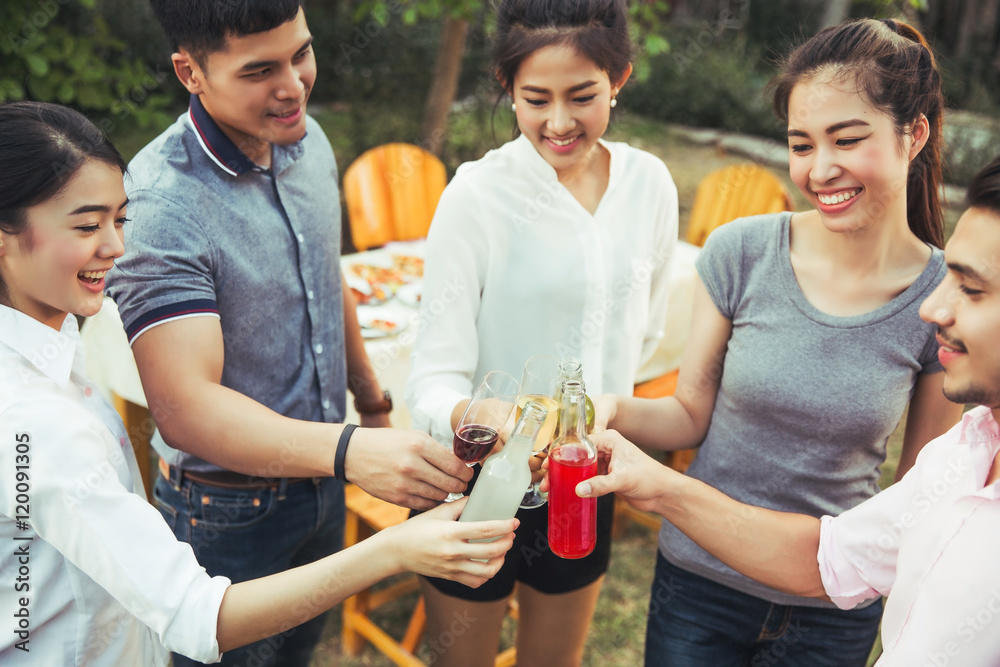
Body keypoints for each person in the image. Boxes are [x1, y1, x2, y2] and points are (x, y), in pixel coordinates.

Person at [0, 101, 518, 666]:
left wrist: (369, 403)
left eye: (120, 220)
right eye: (86, 226)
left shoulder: (47, 349)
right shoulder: (34, 420)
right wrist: (391, 549)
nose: (117, 247)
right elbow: (195, 614)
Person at [105, 2, 478, 665]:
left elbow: (322, 273)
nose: (293, 85)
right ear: (189, 71)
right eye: (260, 70)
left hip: (322, 485)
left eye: (301, 54)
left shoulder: (308, 140)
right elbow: (187, 409)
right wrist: (349, 449)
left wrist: (372, 403)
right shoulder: (159, 205)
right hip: (226, 515)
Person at [587, 18, 965, 666]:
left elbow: (919, 490)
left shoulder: (943, 300)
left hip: (831, 607)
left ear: (915, 133)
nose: (820, 170)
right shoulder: (743, 251)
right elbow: (688, 415)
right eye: (801, 144)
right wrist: (613, 409)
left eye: (847, 139)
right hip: (698, 585)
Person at [404, 0, 678, 664]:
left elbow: (645, 335)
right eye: (535, 99)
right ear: (507, 88)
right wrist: (478, 412)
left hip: (582, 475)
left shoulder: (650, 186)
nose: (559, 122)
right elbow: (430, 381)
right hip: (476, 480)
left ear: (621, 78)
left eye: (583, 95)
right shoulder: (475, 197)